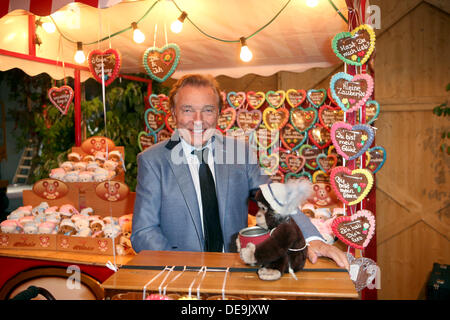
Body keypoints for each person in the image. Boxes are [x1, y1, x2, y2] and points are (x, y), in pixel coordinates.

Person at [131, 74, 349, 270]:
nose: (198, 120)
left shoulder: (240, 153)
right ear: (173, 113)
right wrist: (185, 269)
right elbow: (144, 232)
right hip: (179, 279)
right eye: (187, 110)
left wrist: (312, 239)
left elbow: (276, 199)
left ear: (218, 113)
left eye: (207, 110)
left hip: (235, 276)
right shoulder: (152, 160)